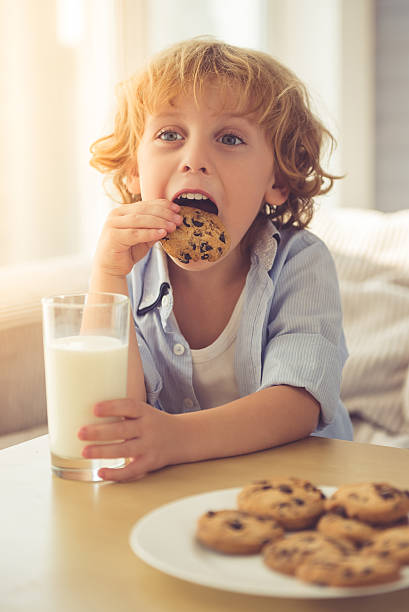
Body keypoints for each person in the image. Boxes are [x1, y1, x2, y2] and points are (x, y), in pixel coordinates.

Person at [79, 37, 353, 482]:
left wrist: (176, 438)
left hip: (299, 487)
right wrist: (106, 275)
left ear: (277, 180)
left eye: (229, 138)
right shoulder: (125, 272)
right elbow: (110, 421)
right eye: (170, 134)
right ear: (134, 168)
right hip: (174, 495)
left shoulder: (301, 263)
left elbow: (297, 404)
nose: (194, 160)